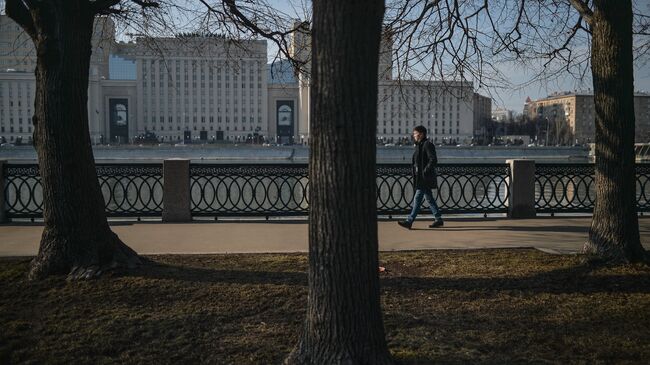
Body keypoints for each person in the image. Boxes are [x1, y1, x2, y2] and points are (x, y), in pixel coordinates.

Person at [398, 125, 444, 229]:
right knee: (429, 198)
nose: (414, 135)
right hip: (421, 177)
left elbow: (433, 159)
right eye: (414, 133)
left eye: (415, 133)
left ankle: (409, 221)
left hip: (424, 177)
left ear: (421, 134)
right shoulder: (419, 145)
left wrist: (425, 171)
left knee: (417, 198)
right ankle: (438, 219)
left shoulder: (427, 144)